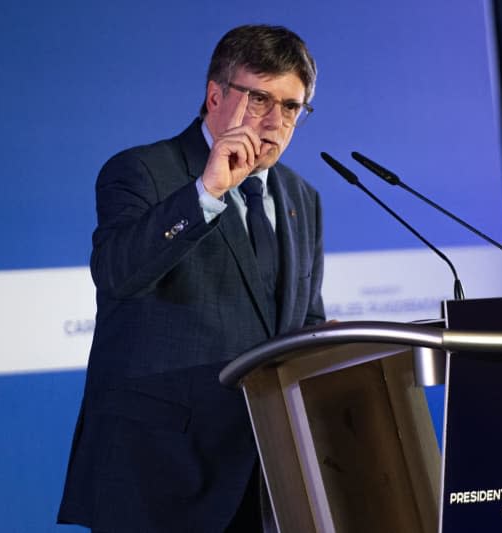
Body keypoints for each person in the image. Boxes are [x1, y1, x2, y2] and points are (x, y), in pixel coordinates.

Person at [57, 24, 325, 533]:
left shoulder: (301, 197)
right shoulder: (141, 171)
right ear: (215, 95)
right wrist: (206, 192)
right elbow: (117, 274)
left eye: (291, 107)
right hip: (158, 474)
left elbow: (303, 322)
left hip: (265, 474)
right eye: (259, 98)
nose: (275, 121)